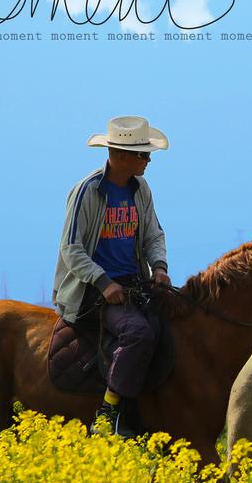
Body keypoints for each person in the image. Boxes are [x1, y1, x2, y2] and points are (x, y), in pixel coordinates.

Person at [52, 115, 172, 437]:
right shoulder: (87, 191)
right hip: (93, 289)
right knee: (138, 334)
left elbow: (153, 235)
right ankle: (107, 414)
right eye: (143, 154)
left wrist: (160, 268)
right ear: (120, 155)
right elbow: (71, 249)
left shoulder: (141, 189)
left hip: (133, 283)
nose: (148, 161)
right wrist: (104, 282)